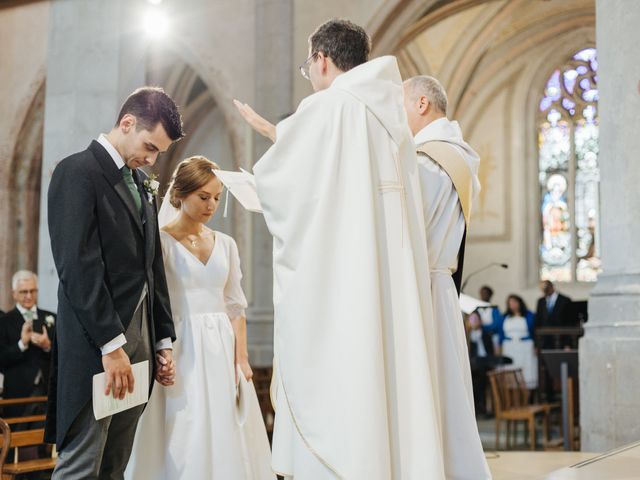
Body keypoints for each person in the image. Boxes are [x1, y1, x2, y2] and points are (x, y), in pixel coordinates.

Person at [235, 18, 445, 480]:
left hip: (345, 282)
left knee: (344, 370)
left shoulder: (325, 108)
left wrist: (265, 167)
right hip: (389, 277)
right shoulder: (391, 116)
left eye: (307, 64)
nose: (308, 74)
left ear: (322, 59)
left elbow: (288, 189)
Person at [46, 87, 184, 479]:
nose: (152, 158)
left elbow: (151, 267)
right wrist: (111, 345)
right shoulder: (77, 172)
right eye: (149, 146)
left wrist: (162, 341)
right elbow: (77, 266)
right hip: (98, 345)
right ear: (127, 123)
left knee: (115, 466)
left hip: (140, 342)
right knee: (82, 465)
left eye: (158, 152)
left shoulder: (143, 185)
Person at [125, 156, 273, 479]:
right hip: (180, 346)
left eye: (217, 197)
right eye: (204, 197)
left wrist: (242, 359)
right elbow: (152, 304)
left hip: (222, 349)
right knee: (185, 428)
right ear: (180, 194)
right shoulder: (160, 242)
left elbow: (235, 305)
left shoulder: (227, 245)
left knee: (226, 429)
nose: (212, 205)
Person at [403, 75, 491, 479]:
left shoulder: (428, 159)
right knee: (446, 393)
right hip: (439, 285)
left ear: (421, 104)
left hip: (421, 286)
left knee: (427, 393)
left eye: (400, 104)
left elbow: (403, 231)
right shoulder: (459, 155)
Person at [0, 270, 56, 418]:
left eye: (33, 291)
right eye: (24, 292)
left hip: (47, 390)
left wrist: (47, 346)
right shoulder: (4, 321)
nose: (29, 296)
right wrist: (22, 344)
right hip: (18, 391)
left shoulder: (51, 318)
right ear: (14, 294)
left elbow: (63, 355)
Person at [498, 295, 537, 390]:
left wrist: (536, 345)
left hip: (525, 346)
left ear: (519, 302)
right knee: (511, 368)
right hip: (509, 347)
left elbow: (534, 331)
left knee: (526, 370)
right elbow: (500, 333)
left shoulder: (529, 315)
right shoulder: (504, 317)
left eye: (514, 302)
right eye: (510, 303)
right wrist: (499, 347)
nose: (512, 305)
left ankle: (528, 394)